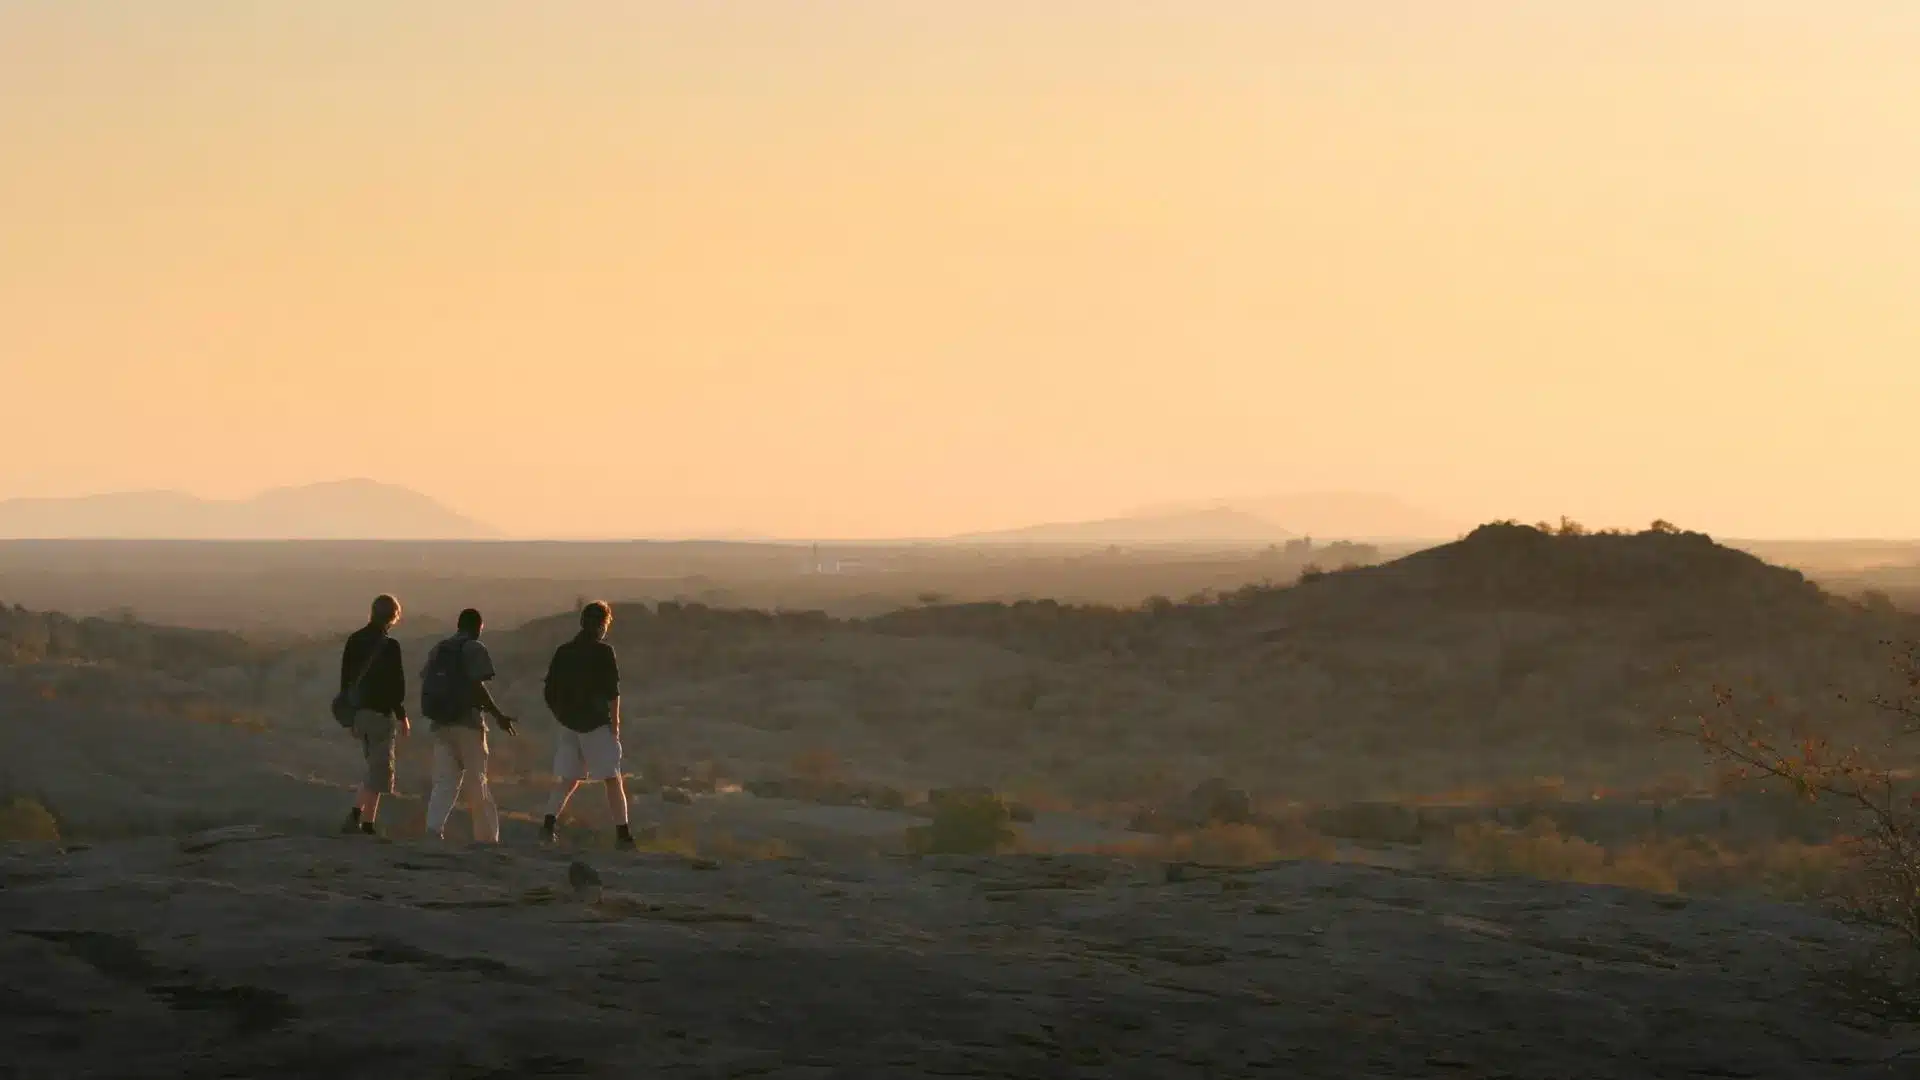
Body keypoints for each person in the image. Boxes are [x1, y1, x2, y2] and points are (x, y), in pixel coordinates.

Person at [539, 601, 634, 849]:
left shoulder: (564, 651)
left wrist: (562, 716)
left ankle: (548, 825)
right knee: (612, 779)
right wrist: (615, 724)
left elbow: (549, 691)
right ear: (602, 625)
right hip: (595, 724)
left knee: (568, 778)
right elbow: (613, 692)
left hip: (569, 724)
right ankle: (623, 835)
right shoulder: (604, 652)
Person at [421, 608, 518, 843]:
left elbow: (426, 679)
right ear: (478, 626)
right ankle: (486, 838)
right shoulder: (474, 648)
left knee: (444, 781)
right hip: (468, 723)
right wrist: (498, 715)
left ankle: (433, 830)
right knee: (477, 781)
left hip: (441, 723)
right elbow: (478, 687)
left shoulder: (440, 648)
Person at [339, 594, 409, 836]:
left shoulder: (354, 640)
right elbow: (396, 687)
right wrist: (402, 715)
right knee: (379, 769)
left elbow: (345, 680)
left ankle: (368, 824)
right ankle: (356, 814)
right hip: (380, 715)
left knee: (375, 768)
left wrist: (349, 715)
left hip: (359, 714)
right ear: (393, 616)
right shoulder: (390, 646)